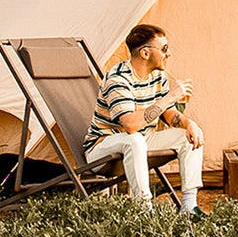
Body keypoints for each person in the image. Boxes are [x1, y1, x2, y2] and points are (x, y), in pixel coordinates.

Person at [83, 24, 205, 216]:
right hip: (103, 148)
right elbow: (130, 125)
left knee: (188, 136)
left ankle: (189, 206)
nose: (169, 53)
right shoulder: (118, 79)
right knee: (135, 139)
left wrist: (190, 124)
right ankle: (144, 210)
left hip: (140, 142)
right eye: (164, 49)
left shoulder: (158, 76)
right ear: (146, 53)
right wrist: (170, 97)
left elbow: (169, 114)